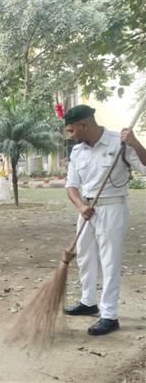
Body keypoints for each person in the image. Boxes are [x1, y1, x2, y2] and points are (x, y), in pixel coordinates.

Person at [63, 104, 146, 335]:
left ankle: (109, 315)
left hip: (112, 208)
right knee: (85, 257)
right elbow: (71, 185)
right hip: (87, 210)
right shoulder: (77, 151)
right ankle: (88, 302)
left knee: (109, 261)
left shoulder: (118, 142)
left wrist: (136, 142)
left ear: (84, 124)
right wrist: (81, 206)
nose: (71, 135)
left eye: (71, 130)